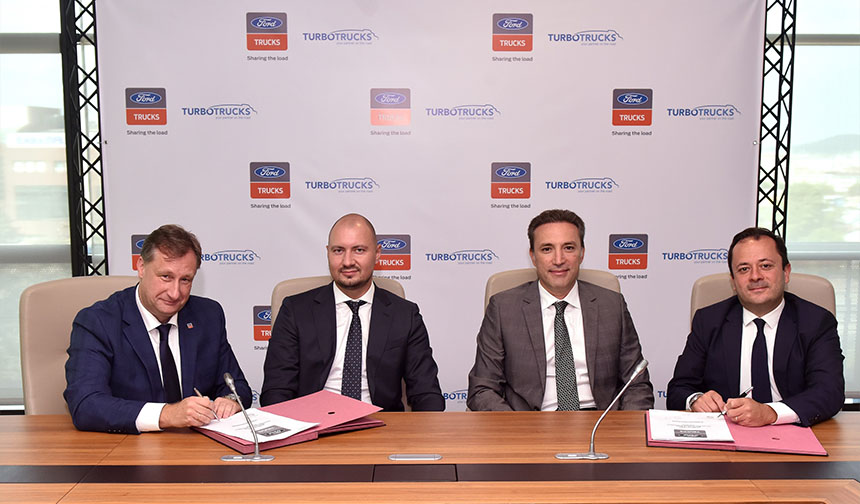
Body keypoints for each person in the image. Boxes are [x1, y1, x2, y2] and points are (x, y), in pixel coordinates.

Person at [64, 224, 251, 433]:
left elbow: (237, 386)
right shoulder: (98, 321)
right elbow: (86, 404)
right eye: (166, 277)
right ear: (141, 267)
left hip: (195, 445)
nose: (175, 293)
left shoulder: (208, 316)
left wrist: (229, 400)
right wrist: (167, 415)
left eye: (185, 280)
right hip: (128, 446)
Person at [468, 209, 654, 411]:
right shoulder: (504, 309)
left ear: (582, 253)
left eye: (568, 248)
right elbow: (483, 389)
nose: (558, 260)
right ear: (533, 256)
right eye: (547, 249)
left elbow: (637, 384)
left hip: (601, 421)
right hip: (530, 422)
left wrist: (624, 426)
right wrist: (517, 426)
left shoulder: (611, 305)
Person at [261, 213, 444, 411]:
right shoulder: (295, 311)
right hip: (314, 422)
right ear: (328, 253)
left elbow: (426, 392)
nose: (347, 261)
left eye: (359, 250)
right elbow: (276, 390)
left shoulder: (405, 315)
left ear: (377, 253)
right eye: (338, 250)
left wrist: (426, 428)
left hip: (382, 423)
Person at [667, 227, 844, 427]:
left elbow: (829, 392)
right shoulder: (708, 321)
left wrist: (771, 413)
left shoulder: (816, 322)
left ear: (786, 272)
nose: (755, 276)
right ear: (733, 281)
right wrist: (695, 400)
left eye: (765, 266)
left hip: (791, 431)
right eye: (744, 269)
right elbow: (679, 389)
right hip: (726, 433)